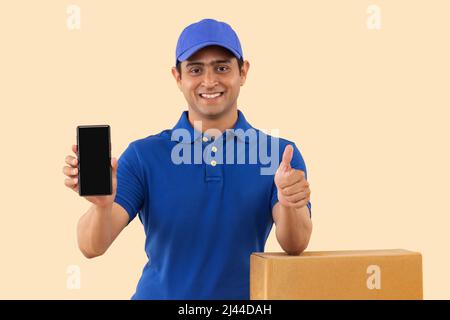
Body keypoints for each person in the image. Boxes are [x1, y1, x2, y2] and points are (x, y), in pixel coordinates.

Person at [62, 18, 312, 300]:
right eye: (195, 69)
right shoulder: (144, 155)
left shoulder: (279, 156)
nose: (209, 81)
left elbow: (295, 245)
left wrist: (291, 204)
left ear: (243, 72)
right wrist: (102, 207)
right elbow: (91, 246)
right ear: (177, 77)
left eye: (222, 67)